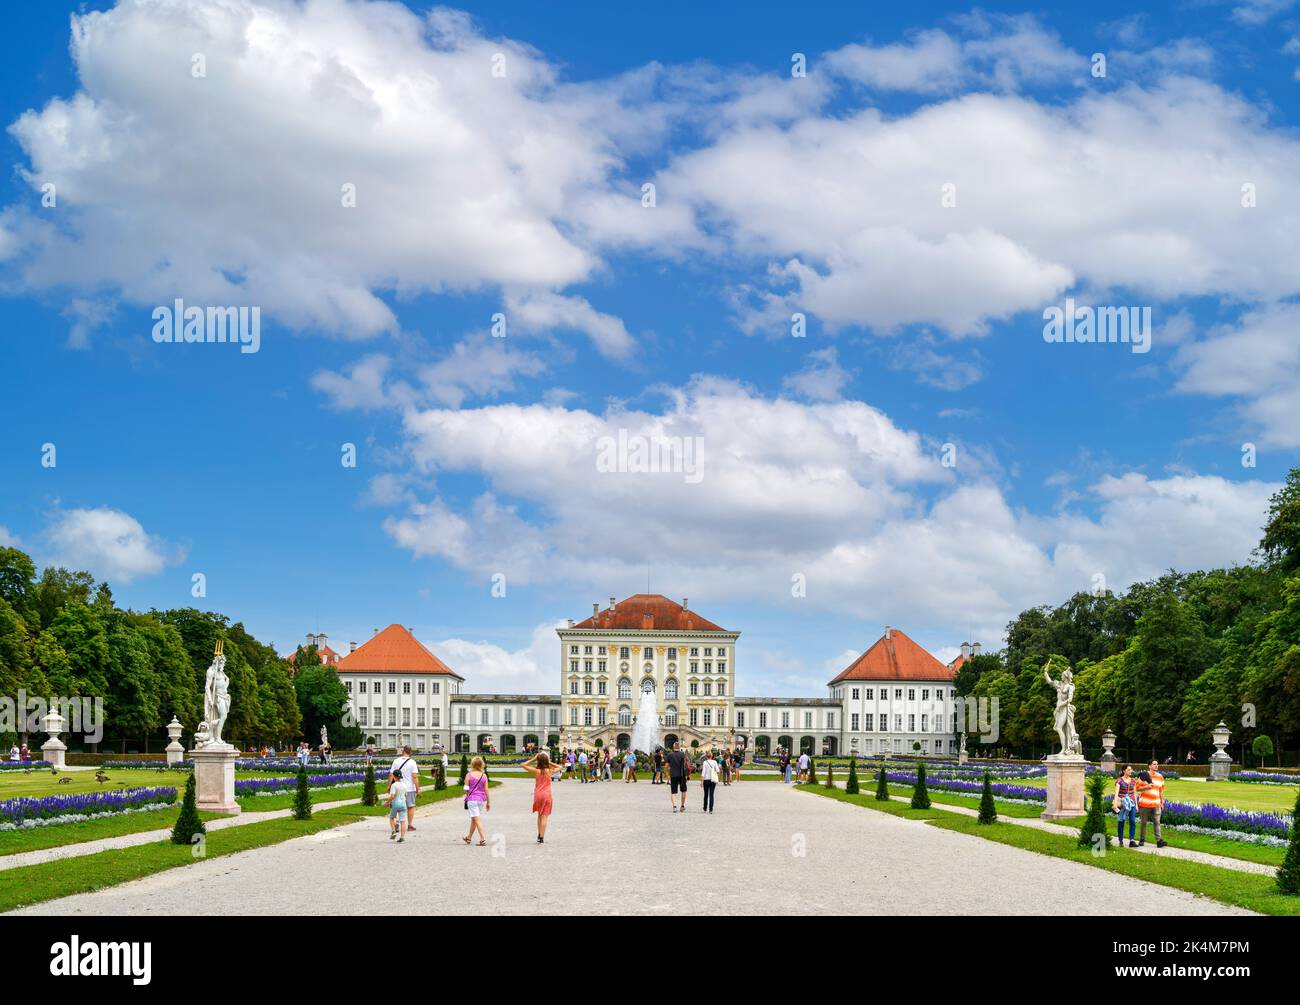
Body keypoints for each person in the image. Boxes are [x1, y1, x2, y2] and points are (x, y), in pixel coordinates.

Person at [521, 751, 556, 843]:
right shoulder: (550, 771)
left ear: (538, 761)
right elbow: (560, 767)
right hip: (547, 795)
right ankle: (541, 837)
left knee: (539, 815)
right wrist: (549, 762)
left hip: (538, 795)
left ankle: (539, 834)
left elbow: (523, 765)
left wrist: (534, 758)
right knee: (544, 816)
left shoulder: (536, 771)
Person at [1135, 759, 1167, 848]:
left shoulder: (1160, 777)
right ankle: (1142, 840)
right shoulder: (1143, 776)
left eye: (1157, 764)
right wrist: (1147, 786)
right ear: (1149, 766)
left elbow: (1161, 791)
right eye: (1154, 764)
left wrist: (1162, 802)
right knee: (1143, 823)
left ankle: (1159, 841)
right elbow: (1137, 788)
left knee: (1157, 822)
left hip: (1156, 804)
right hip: (1144, 804)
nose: (1156, 766)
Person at [390, 745, 421, 833]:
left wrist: (389, 786)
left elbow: (391, 775)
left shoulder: (396, 761)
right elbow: (414, 777)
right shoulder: (412, 762)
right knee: (410, 806)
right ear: (410, 752)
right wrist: (418, 788)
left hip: (397, 787)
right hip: (409, 788)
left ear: (403, 751)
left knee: (396, 805)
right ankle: (410, 825)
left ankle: (396, 822)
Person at [462, 756, 490, 847]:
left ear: (472, 764)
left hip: (472, 800)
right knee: (474, 819)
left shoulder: (468, 775)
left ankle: (483, 839)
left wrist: (468, 794)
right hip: (481, 800)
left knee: (476, 819)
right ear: (482, 764)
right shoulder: (484, 776)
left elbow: (466, 789)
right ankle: (469, 837)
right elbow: (486, 790)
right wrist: (488, 802)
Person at [1113, 764, 1139, 847]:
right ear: (1123, 771)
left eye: (1131, 769)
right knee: (1121, 821)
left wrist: (1137, 805)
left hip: (1131, 803)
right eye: (1128, 770)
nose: (1130, 771)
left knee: (1132, 821)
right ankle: (1121, 841)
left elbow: (1134, 793)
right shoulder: (1119, 781)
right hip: (1123, 803)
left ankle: (1132, 840)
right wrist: (1115, 804)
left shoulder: (1133, 781)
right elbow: (1116, 793)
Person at [384, 770, 408, 842]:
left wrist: (387, 803)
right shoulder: (404, 785)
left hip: (395, 804)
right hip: (403, 804)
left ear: (394, 776)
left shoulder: (394, 785)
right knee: (403, 821)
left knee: (392, 818)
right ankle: (402, 838)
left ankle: (394, 831)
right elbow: (405, 794)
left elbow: (392, 796)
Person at [666, 741, 689, 812]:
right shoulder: (682, 754)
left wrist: (667, 771)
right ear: (679, 747)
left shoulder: (670, 755)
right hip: (681, 775)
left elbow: (667, 766)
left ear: (673, 747)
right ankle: (682, 806)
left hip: (673, 774)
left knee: (673, 792)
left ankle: (674, 806)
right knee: (683, 790)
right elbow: (686, 764)